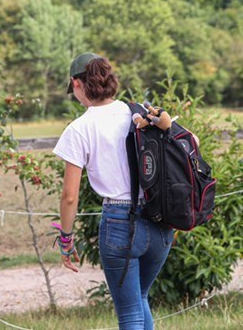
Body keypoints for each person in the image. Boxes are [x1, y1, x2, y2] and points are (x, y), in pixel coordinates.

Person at [53, 52, 173, 330]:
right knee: (139, 298)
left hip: (120, 223)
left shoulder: (79, 128)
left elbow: (69, 196)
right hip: (160, 220)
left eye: (74, 90)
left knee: (130, 313)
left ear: (77, 84)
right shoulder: (140, 112)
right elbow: (191, 141)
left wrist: (66, 240)